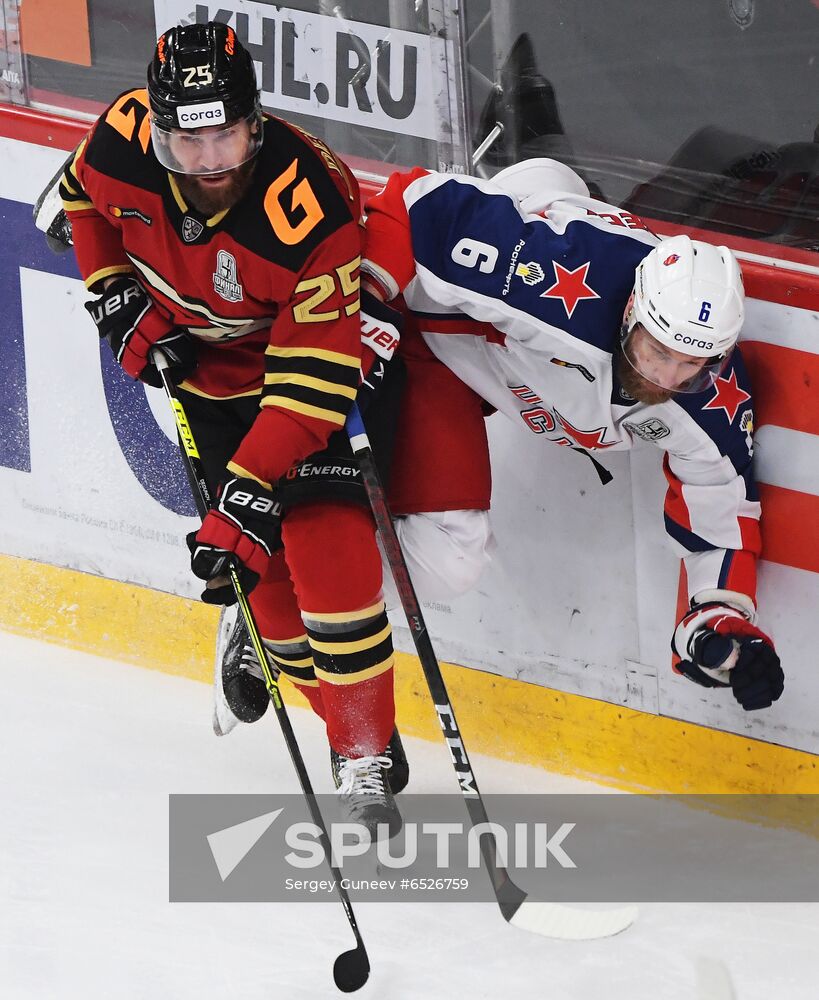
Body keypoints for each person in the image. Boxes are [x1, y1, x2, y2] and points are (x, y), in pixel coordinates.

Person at [59, 20, 408, 833]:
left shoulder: (308, 202)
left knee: (325, 541)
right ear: (158, 126)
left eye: (226, 137)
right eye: (188, 141)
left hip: (306, 375)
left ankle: (362, 750)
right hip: (208, 381)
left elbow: (313, 381)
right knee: (257, 575)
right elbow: (80, 203)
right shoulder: (121, 140)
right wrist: (112, 290)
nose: (209, 161)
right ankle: (327, 704)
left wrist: (250, 489)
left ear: (256, 121)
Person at [360, 158, 784, 712]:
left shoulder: (710, 395)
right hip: (435, 339)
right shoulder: (553, 281)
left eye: (692, 364)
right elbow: (418, 204)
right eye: (657, 352)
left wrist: (718, 624)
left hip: (505, 351)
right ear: (632, 311)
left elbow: (719, 510)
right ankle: (301, 598)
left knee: (445, 568)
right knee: (449, 556)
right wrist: (362, 314)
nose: (667, 378)